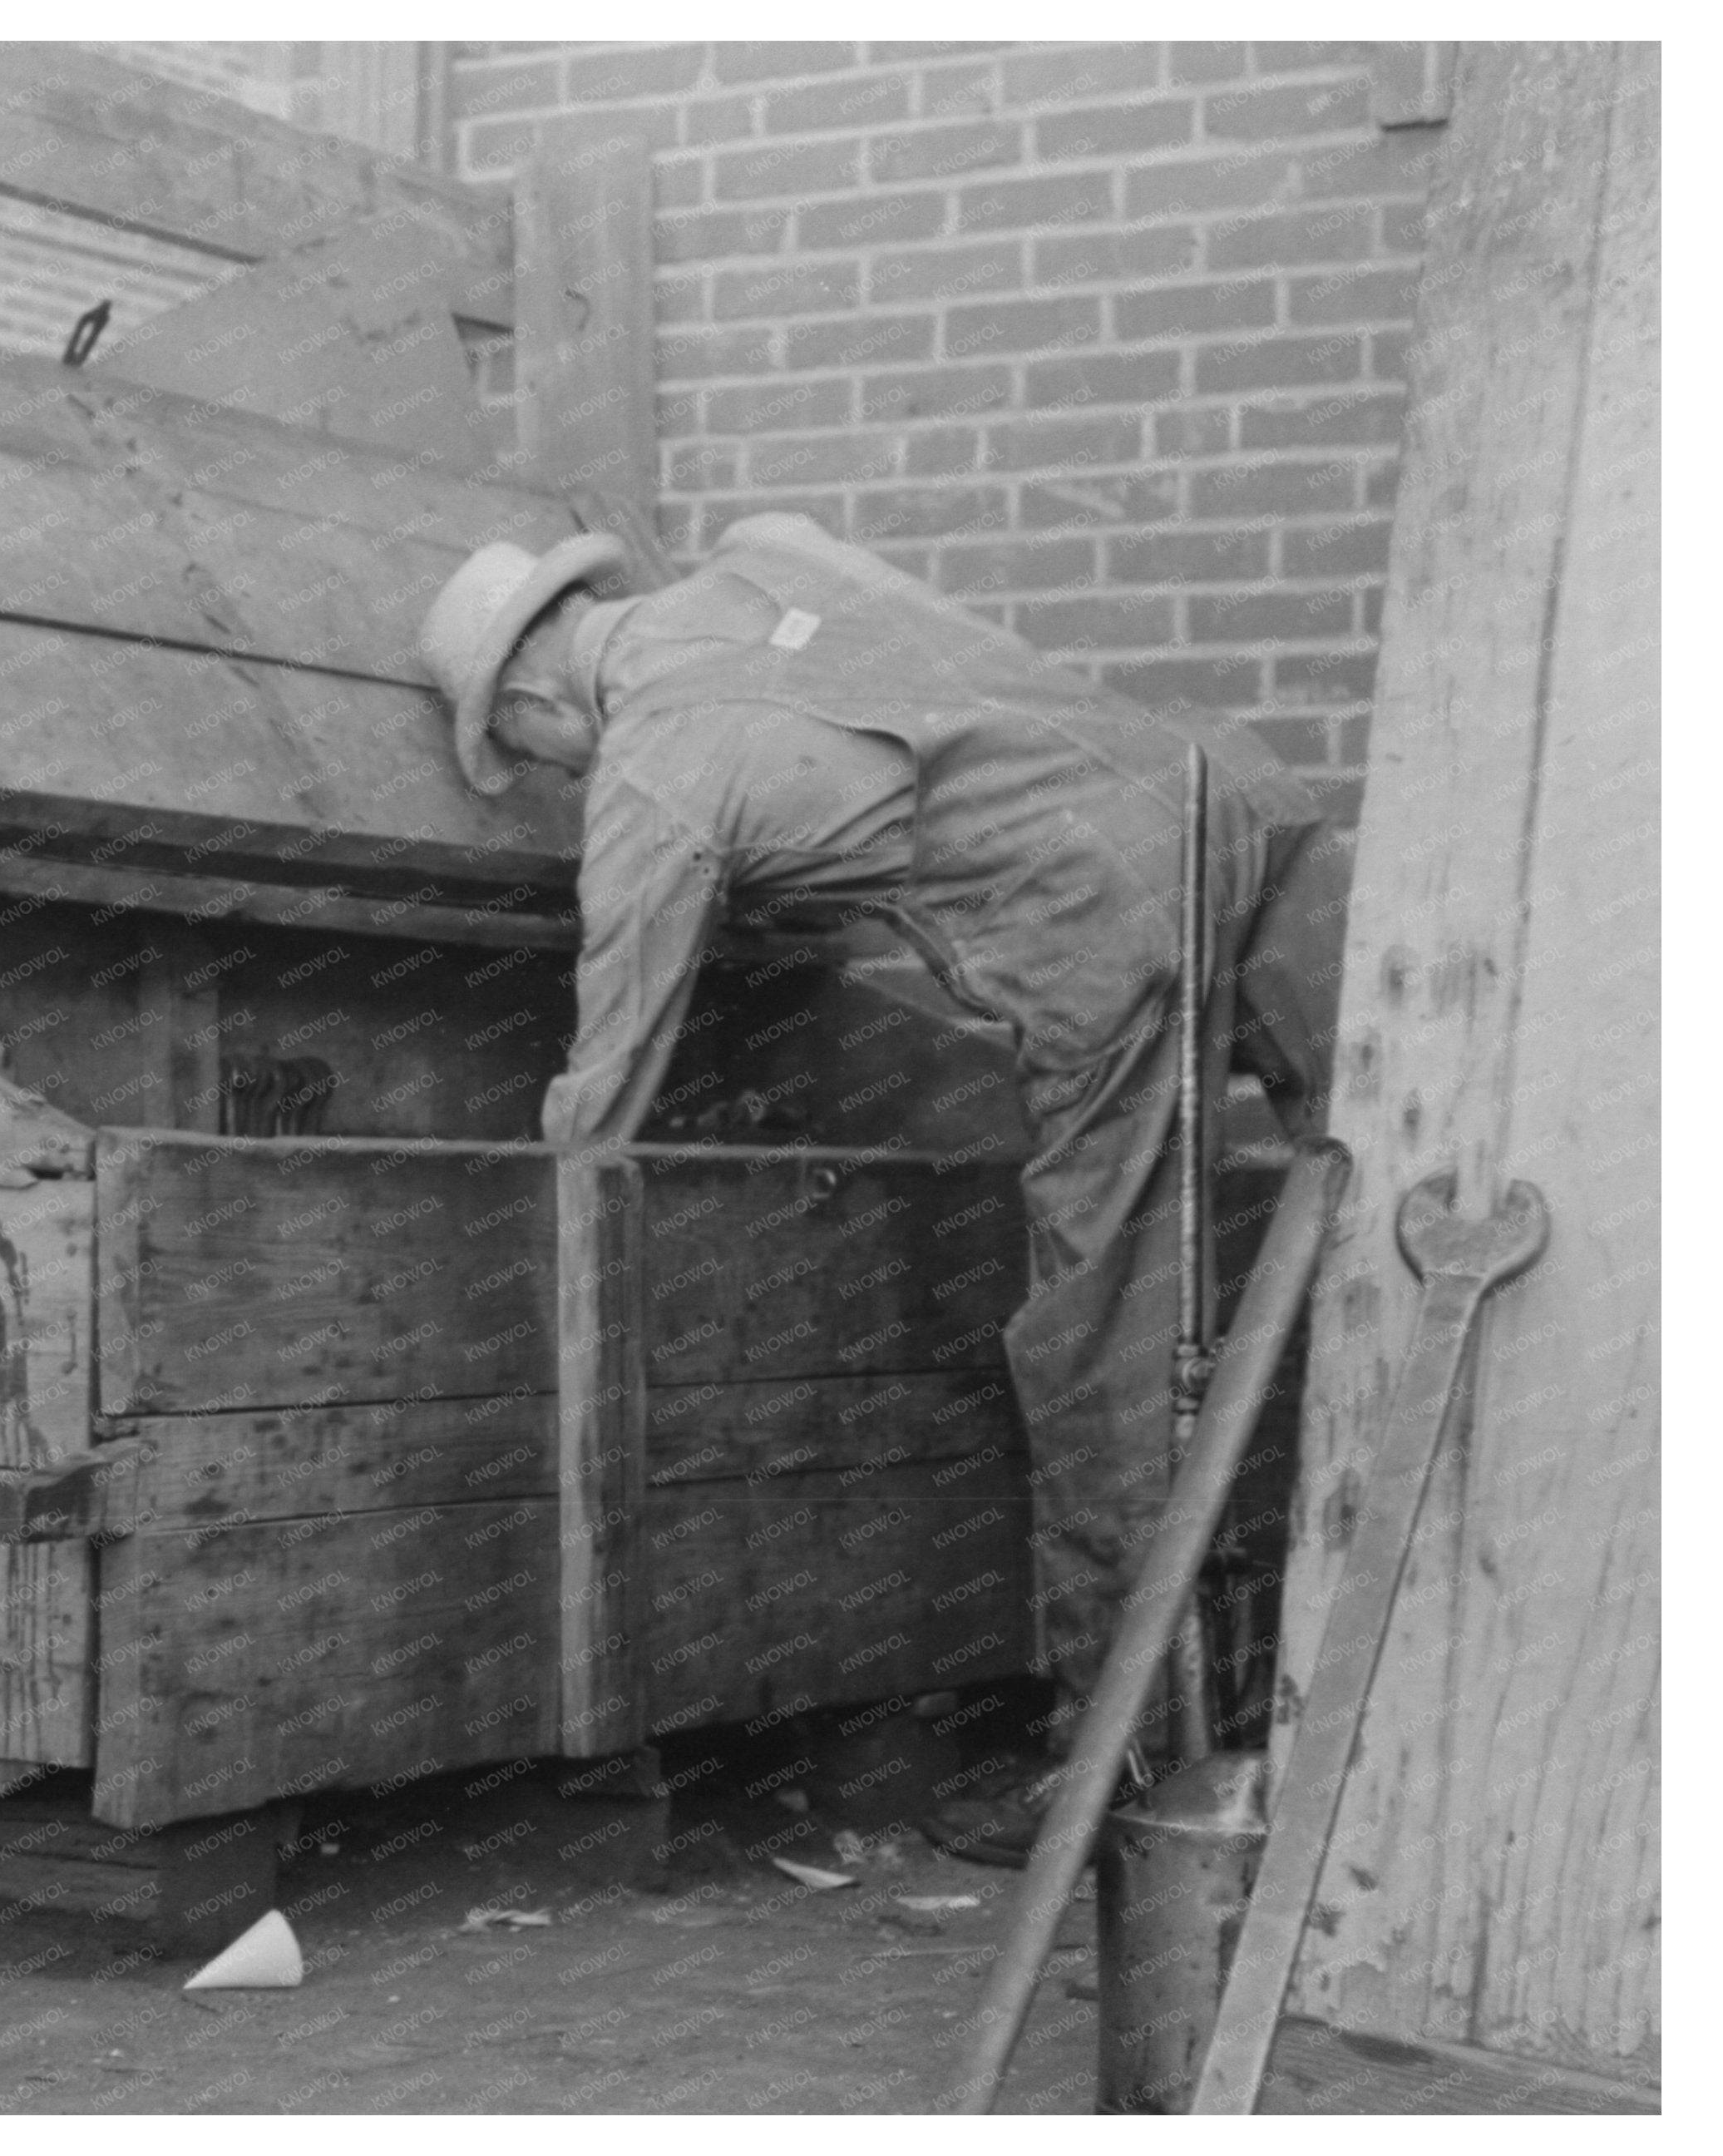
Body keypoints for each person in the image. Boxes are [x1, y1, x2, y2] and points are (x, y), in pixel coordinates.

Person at [421, 511, 1348, 1857]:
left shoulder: (654, 767)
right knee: (1373, 1218)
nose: (555, 780)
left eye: (528, 759)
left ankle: (1122, 1774)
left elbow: (606, 1080)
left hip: (1104, 912)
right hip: (1237, 804)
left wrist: (510, 1227)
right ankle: (1357, 1706)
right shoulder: (774, 551)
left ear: (530, 699)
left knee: (1104, 1341)